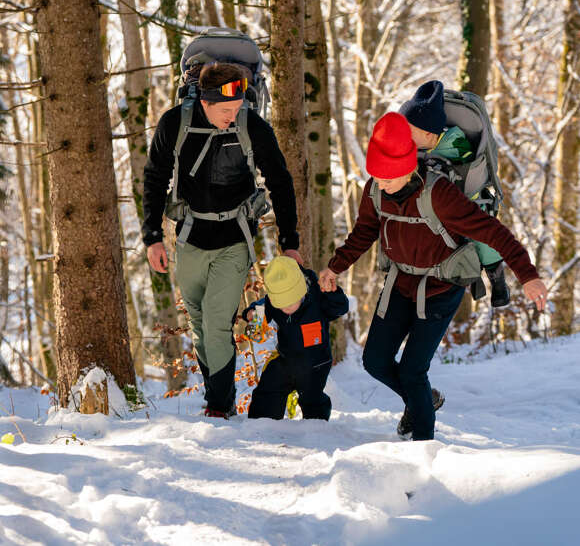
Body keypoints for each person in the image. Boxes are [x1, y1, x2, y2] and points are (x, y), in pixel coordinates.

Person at [319, 112, 547, 441]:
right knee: (375, 361)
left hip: (441, 287)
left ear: (407, 166)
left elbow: (492, 232)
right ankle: (423, 400)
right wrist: (336, 266)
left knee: (413, 371)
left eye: (387, 178)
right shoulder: (375, 191)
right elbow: (364, 232)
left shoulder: (439, 195)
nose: (380, 184)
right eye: (377, 177)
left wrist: (528, 275)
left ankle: (422, 445)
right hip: (400, 283)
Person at [143, 62, 302, 419]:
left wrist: (289, 241)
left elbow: (280, 180)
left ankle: (218, 408)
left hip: (235, 238)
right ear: (204, 102)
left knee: (217, 323)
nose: (234, 115)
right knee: (199, 325)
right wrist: (152, 237)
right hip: (189, 237)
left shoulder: (251, 126)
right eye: (226, 110)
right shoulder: (175, 123)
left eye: (239, 107)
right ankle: (223, 399)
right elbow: (155, 177)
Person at [400, 80, 510, 307]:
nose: (406, 136)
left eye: (412, 132)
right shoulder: (416, 145)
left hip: (462, 193)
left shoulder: (455, 142)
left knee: (481, 228)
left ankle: (496, 276)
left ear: (431, 134)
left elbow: (462, 167)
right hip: (426, 198)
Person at [241, 256, 349, 421]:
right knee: (268, 390)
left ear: (301, 292)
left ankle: (317, 426)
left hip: (315, 363)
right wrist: (252, 313)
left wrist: (334, 294)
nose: (286, 309)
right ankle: (262, 424)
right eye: (281, 305)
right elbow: (260, 314)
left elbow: (340, 308)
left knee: (312, 397)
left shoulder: (318, 297)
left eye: (290, 304)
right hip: (286, 358)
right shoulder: (273, 301)